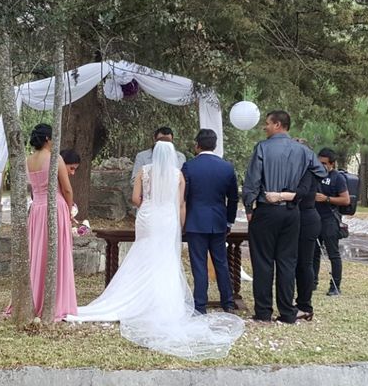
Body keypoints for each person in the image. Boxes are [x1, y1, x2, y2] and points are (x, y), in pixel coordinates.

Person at [67, 141, 244, 361]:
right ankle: (162, 302)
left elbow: (134, 199)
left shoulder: (144, 171)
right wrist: (180, 225)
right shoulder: (178, 175)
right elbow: (181, 204)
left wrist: (148, 204)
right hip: (168, 218)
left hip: (149, 216)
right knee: (166, 258)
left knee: (144, 254)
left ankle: (135, 296)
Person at [242, 110, 326, 323]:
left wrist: (249, 207)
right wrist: (298, 189)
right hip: (292, 211)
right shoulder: (303, 151)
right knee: (287, 261)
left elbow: (252, 180)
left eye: (267, 123)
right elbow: (321, 171)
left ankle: (263, 312)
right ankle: (287, 312)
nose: (265, 127)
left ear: (278, 124)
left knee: (263, 262)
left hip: (266, 209)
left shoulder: (262, 147)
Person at [182, 128, 239, 314]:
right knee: (221, 262)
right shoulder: (227, 167)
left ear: (197, 145)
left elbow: (184, 195)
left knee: (199, 264)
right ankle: (228, 302)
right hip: (218, 220)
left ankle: (200, 305)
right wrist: (229, 220)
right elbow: (233, 198)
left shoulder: (189, 166)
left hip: (195, 221)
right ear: (214, 145)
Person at [26, 124, 77, 320]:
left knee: (38, 253)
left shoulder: (28, 159)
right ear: (48, 138)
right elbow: (67, 189)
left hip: (37, 209)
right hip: (55, 207)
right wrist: (70, 210)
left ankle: (35, 298)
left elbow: (32, 188)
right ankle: (56, 301)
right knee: (56, 252)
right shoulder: (56, 158)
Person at [266, 139, 321, 321]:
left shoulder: (308, 171)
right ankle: (289, 304)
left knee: (304, 263)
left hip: (306, 218)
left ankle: (305, 305)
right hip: (292, 217)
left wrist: (280, 195)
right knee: (290, 263)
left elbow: (302, 192)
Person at [313, 148, 350, 296]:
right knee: (313, 253)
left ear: (331, 164)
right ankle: (312, 282)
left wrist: (327, 198)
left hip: (330, 219)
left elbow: (345, 200)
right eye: (319, 162)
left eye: (324, 163)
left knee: (333, 254)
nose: (321, 166)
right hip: (314, 218)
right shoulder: (313, 175)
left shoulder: (337, 178)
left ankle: (335, 286)